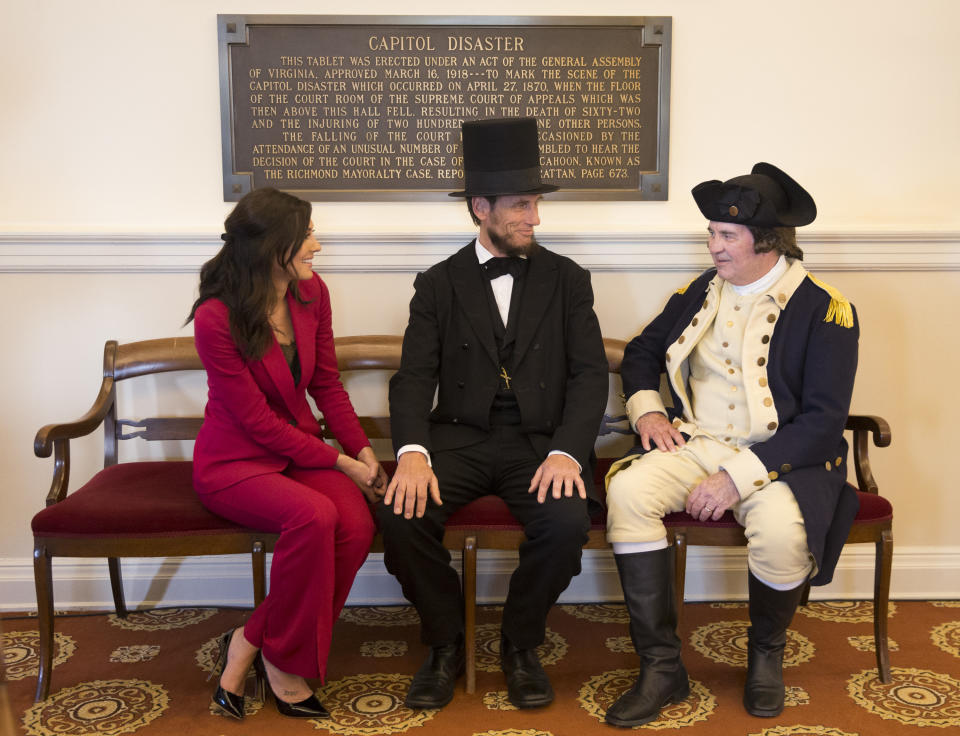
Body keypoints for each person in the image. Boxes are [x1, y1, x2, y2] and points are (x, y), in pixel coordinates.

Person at [604, 163, 859, 726]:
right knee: (628, 495)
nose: (713, 246)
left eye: (726, 236)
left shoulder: (825, 309)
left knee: (780, 532)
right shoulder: (701, 290)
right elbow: (644, 352)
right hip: (696, 443)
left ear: (765, 242)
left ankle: (765, 657)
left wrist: (736, 478)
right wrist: (647, 412)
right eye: (712, 234)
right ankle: (661, 667)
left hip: (782, 461)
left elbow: (822, 421)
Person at [378, 117, 609, 710]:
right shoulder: (436, 284)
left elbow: (588, 375)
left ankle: (519, 643)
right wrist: (410, 454)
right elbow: (412, 381)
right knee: (402, 517)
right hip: (458, 439)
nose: (535, 218)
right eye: (521, 205)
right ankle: (446, 640)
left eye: (534, 205)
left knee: (565, 524)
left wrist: (568, 451)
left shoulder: (568, 280)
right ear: (481, 207)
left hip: (540, 443)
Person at [186, 187, 387, 720]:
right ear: (271, 247)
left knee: (356, 525)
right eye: (306, 236)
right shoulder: (216, 317)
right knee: (315, 516)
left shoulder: (311, 292)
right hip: (234, 462)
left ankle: (253, 640)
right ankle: (280, 665)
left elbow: (326, 383)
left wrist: (362, 450)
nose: (316, 246)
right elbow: (255, 422)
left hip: (298, 451)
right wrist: (341, 462)